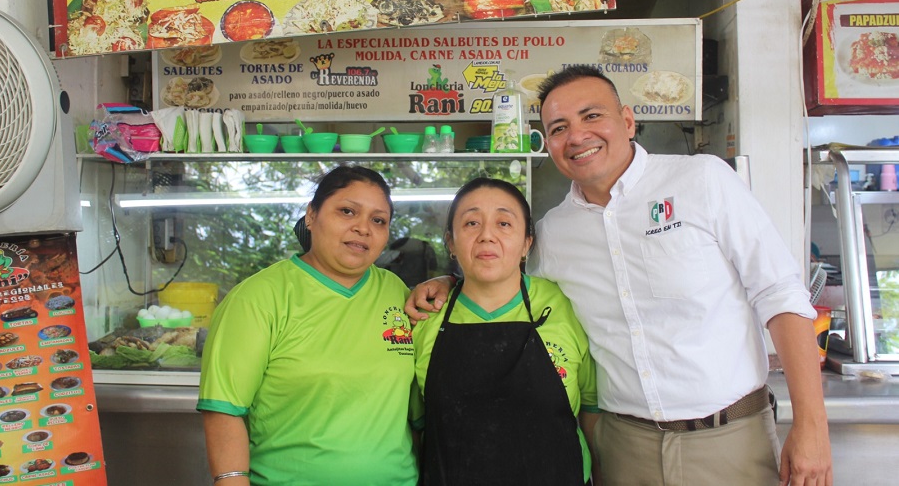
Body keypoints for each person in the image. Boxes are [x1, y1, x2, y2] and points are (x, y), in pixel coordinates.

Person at [408, 65, 832, 486]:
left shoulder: (702, 179)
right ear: (548, 144)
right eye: (558, 128)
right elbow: (498, 282)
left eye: (592, 116)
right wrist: (450, 282)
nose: (576, 136)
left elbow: (779, 293)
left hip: (729, 439)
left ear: (627, 121)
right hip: (621, 447)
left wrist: (811, 424)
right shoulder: (555, 232)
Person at [198, 165, 419, 486]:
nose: (363, 228)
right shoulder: (259, 297)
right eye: (347, 211)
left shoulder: (395, 291)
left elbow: (414, 414)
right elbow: (223, 409)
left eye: (378, 220)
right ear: (312, 216)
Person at [412, 177, 599, 486]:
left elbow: (592, 412)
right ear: (450, 243)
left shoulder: (566, 303)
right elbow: (417, 429)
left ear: (527, 243)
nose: (487, 236)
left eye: (504, 223)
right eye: (471, 223)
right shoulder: (426, 316)